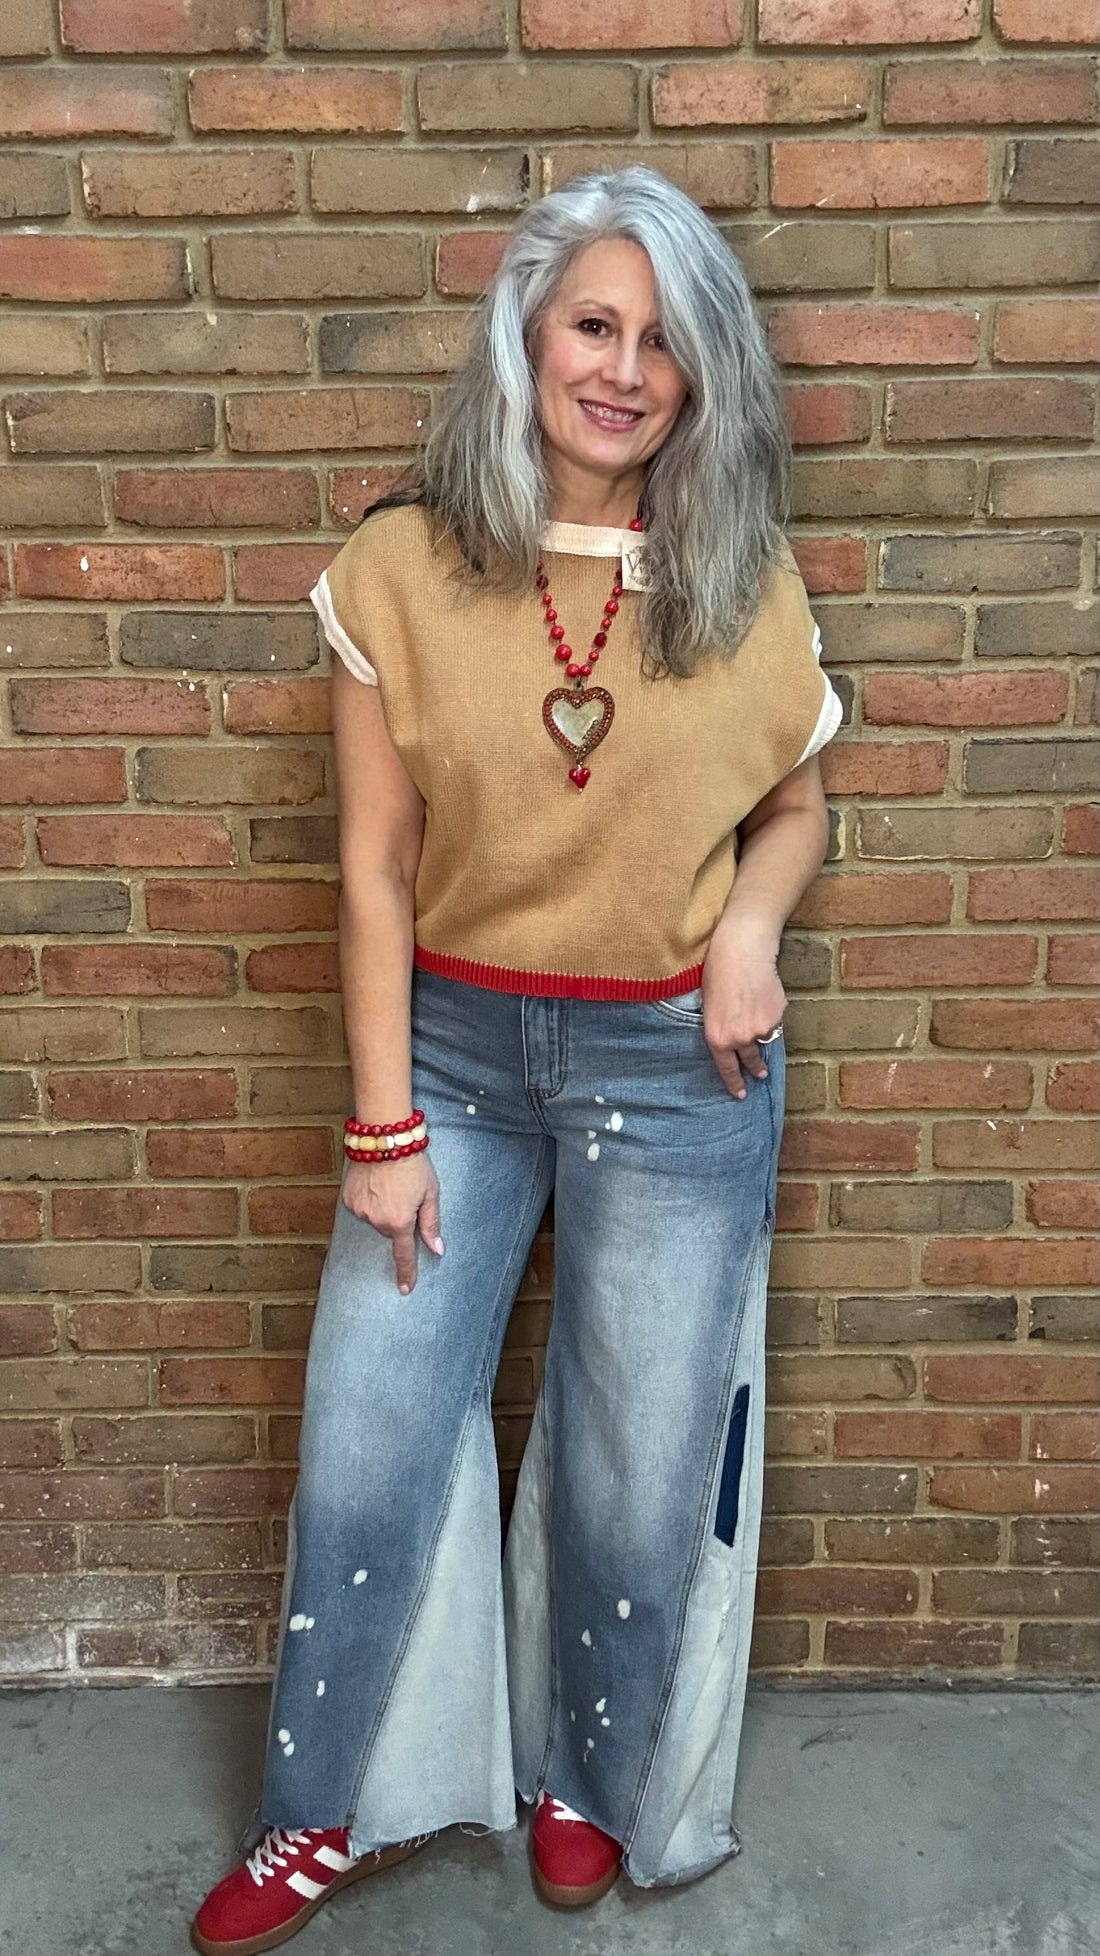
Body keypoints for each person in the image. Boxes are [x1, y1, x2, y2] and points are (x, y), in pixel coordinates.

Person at [190, 164, 842, 1955]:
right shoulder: (402, 566)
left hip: (671, 1069)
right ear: (529, 337)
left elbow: (792, 813)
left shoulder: (741, 578)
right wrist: (383, 1121)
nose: (625, 370)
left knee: (635, 1457)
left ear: (704, 378)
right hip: (453, 1064)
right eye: (594, 326)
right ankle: (317, 1815)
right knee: (373, 1431)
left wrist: (749, 931)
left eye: (666, 342)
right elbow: (374, 865)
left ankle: (591, 1780)